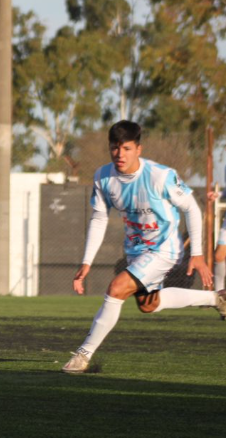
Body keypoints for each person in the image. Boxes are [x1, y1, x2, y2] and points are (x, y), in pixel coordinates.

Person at [67, 120, 225, 373]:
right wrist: (87, 262)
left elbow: (192, 208)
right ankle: (217, 298)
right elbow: (99, 218)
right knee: (148, 304)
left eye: (127, 148)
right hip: (137, 251)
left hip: (165, 249)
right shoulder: (103, 177)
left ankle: (82, 355)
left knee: (117, 288)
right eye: (115, 148)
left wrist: (197, 253)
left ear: (138, 149)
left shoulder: (160, 175)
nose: (120, 154)